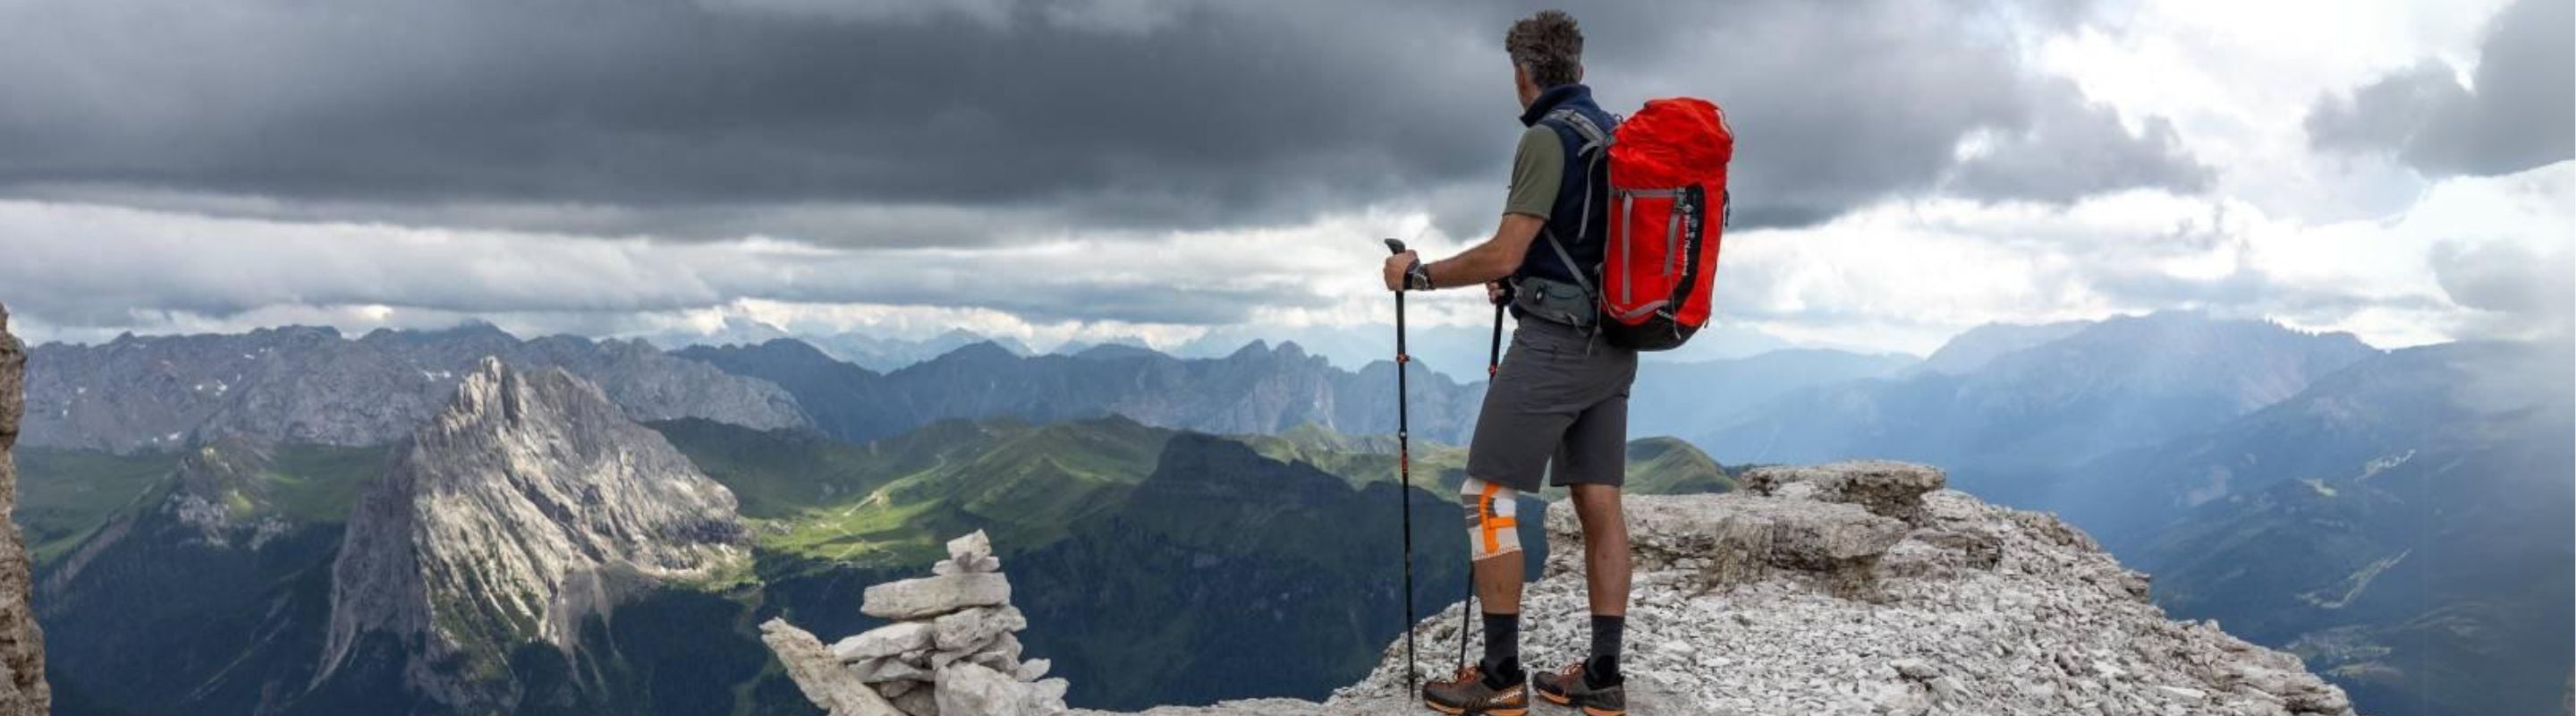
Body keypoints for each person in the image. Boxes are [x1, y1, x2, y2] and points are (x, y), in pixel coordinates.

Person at [1380, 9, 1632, 716]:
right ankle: (1603, 678)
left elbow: (1504, 250)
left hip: (1555, 347)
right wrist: (1524, 279)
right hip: (1617, 345)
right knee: (1598, 500)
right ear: (1577, 69)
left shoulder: (1548, 140)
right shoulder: (1614, 134)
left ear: (1522, 75)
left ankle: (1498, 679)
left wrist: (1418, 274)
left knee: (1486, 497)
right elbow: (1580, 244)